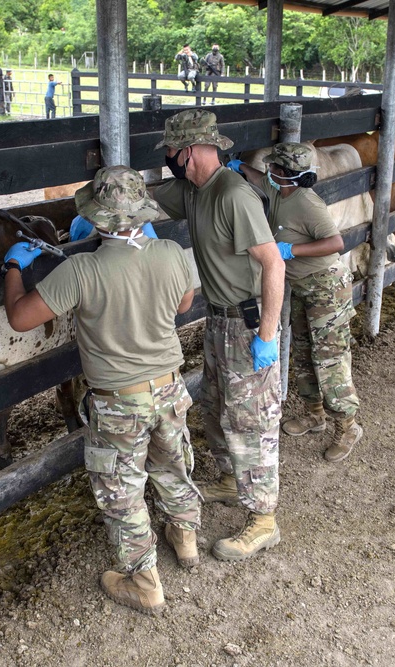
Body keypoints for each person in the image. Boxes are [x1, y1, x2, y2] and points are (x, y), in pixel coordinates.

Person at [2, 166, 200, 614]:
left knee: (123, 489)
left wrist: (14, 266)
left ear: (97, 218)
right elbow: (184, 302)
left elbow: (19, 318)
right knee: (173, 465)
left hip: (119, 402)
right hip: (169, 388)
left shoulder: (81, 269)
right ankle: (185, 539)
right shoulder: (170, 250)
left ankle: (144, 580)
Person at [153, 109, 286, 562]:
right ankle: (232, 479)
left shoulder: (233, 194)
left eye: (171, 151)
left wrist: (266, 334)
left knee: (253, 422)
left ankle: (264, 519)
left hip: (247, 321)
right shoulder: (195, 191)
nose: (167, 158)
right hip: (219, 321)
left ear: (188, 150)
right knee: (216, 405)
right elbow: (147, 202)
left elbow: (274, 263)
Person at [227, 143, 363, 462]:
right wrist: (236, 166)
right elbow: (258, 177)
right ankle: (314, 414)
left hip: (326, 287)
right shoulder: (279, 191)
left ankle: (348, 426)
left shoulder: (306, 203)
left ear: (286, 174)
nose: (269, 171)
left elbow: (336, 243)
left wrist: (291, 251)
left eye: (274, 167)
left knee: (330, 359)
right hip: (301, 287)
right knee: (302, 349)